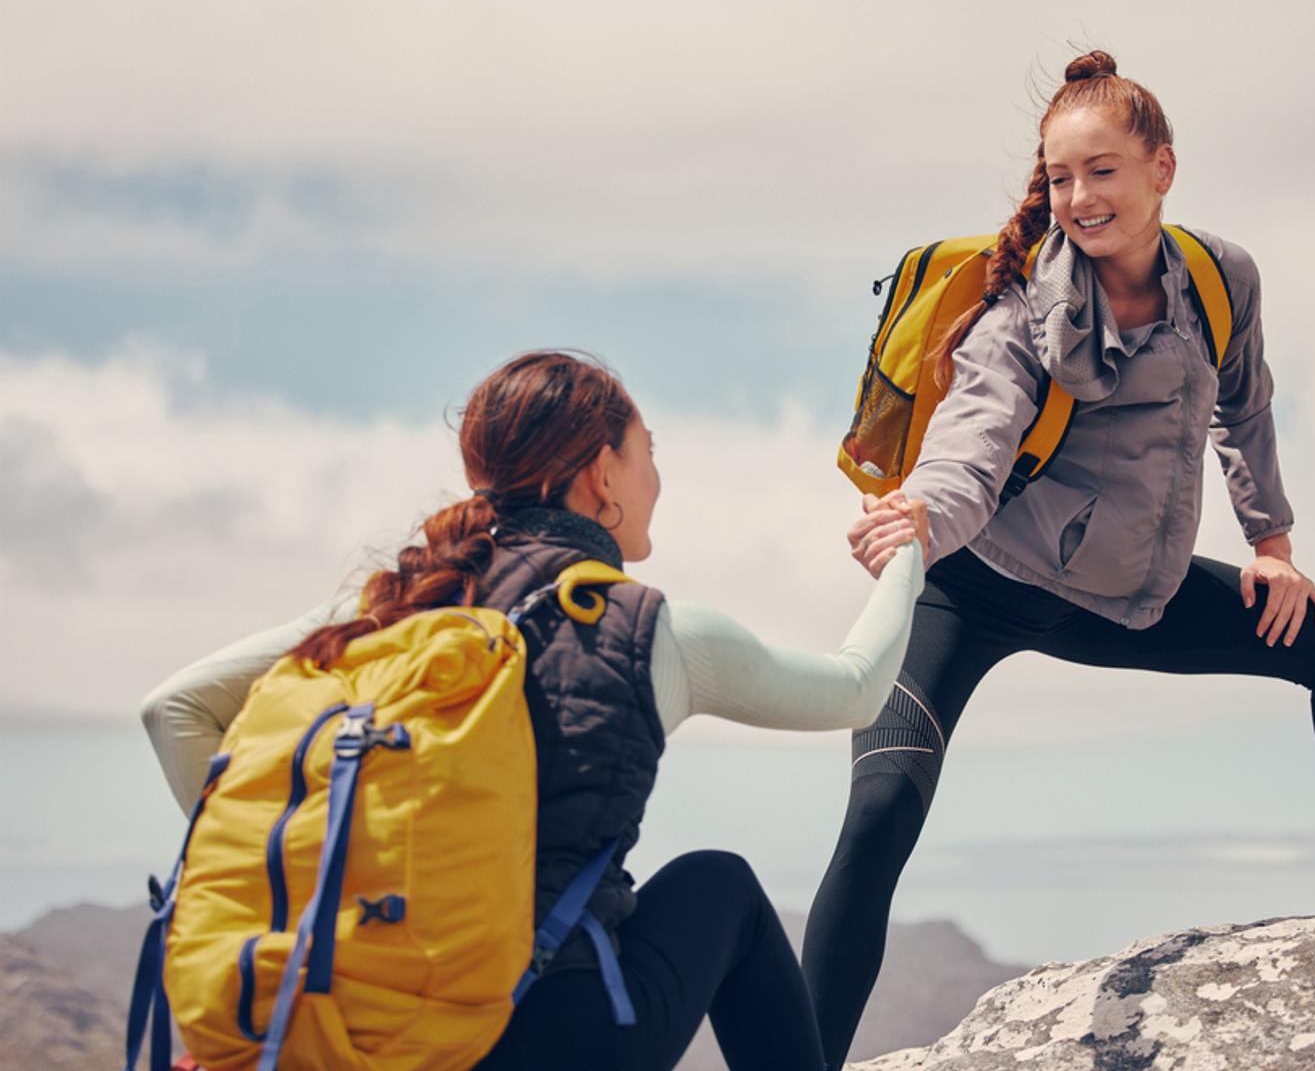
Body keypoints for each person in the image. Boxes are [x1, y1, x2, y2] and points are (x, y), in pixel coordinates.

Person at [804, 49, 1315, 1068]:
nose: (1077, 199)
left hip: (1125, 593)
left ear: (1161, 169)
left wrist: (1271, 547)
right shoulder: (1013, 314)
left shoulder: (1220, 279)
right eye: (1058, 178)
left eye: (1101, 171)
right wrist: (920, 515)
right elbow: (974, 443)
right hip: (970, 582)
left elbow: (1245, 409)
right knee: (875, 819)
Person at [140, 350, 930, 1071]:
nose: (658, 476)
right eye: (648, 450)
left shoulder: (384, 611)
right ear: (601, 473)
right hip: (543, 1036)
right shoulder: (653, 631)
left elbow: (172, 709)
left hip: (341, 1026)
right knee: (720, 887)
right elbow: (857, 687)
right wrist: (908, 558)